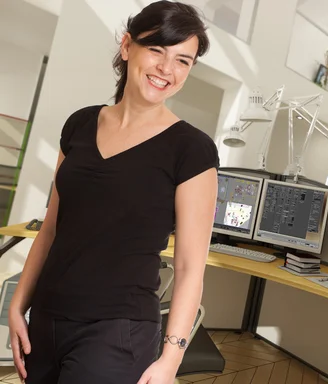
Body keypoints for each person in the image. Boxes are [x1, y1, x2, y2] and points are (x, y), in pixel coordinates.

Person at [8, 2, 219, 383]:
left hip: (116, 332)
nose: (166, 70)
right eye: (156, 50)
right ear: (127, 47)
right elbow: (52, 229)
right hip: (47, 318)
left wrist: (170, 359)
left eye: (182, 61)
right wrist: (17, 305)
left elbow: (190, 267)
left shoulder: (192, 150)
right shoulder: (80, 125)